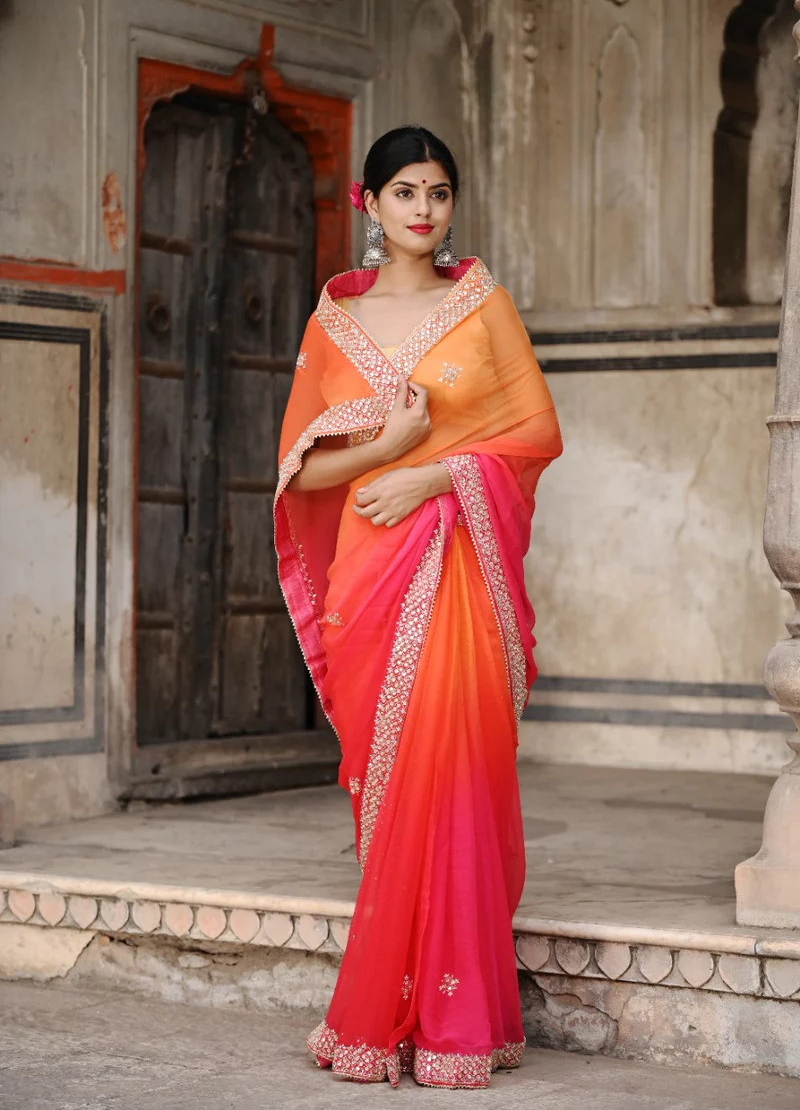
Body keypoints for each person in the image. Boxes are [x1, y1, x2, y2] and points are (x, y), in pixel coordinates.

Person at [274, 125, 562, 1089]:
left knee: (458, 772)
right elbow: (302, 472)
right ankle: (387, 1010)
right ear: (369, 203)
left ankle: (456, 1021)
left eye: (438, 192)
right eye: (405, 191)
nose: (424, 209)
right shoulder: (333, 324)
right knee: (395, 785)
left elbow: (534, 432)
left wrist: (436, 475)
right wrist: (388, 450)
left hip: (458, 572)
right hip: (371, 573)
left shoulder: (481, 307)